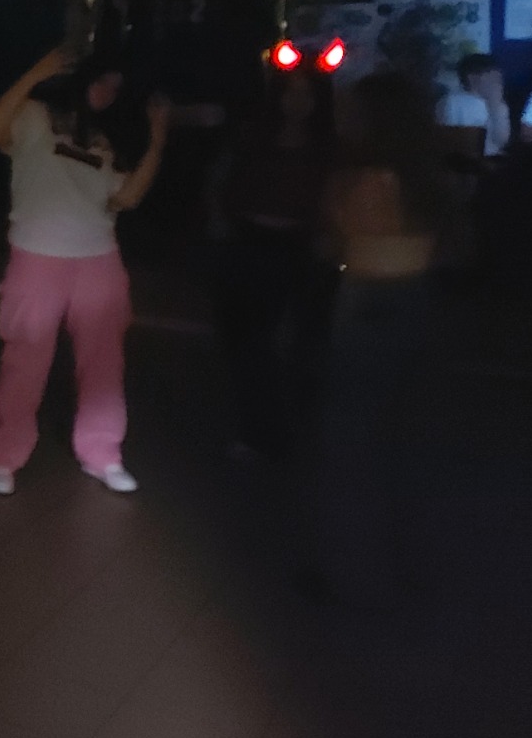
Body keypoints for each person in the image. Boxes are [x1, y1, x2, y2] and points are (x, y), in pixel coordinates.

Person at [0, 47, 170, 496]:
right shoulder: (35, 117)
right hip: (36, 254)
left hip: (98, 256)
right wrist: (37, 72)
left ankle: (103, 454)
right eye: (101, 81)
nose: (106, 93)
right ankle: (4, 456)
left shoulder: (105, 142)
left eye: (115, 88)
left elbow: (127, 198)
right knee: (25, 358)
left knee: (104, 361)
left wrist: (158, 139)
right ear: (82, 79)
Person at [306, 70, 453, 611]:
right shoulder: (429, 179)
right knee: (408, 439)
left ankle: (351, 576)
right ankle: (412, 567)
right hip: (417, 298)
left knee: (350, 443)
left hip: (366, 298)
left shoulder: (359, 179)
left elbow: (330, 242)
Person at [210, 67, 336, 461]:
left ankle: (289, 428)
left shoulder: (326, 146)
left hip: (299, 247)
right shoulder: (252, 136)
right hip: (248, 240)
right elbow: (221, 184)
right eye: (290, 93)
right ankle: (256, 428)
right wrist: (221, 229)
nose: (297, 102)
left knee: (291, 343)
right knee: (245, 339)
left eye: (306, 94)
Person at [435, 53, 512, 158]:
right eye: (493, 79)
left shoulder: (499, 105)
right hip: (459, 158)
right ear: (473, 79)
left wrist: (495, 106)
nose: (499, 84)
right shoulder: (450, 102)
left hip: (490, 158)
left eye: (499, 80)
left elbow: (502, 141)